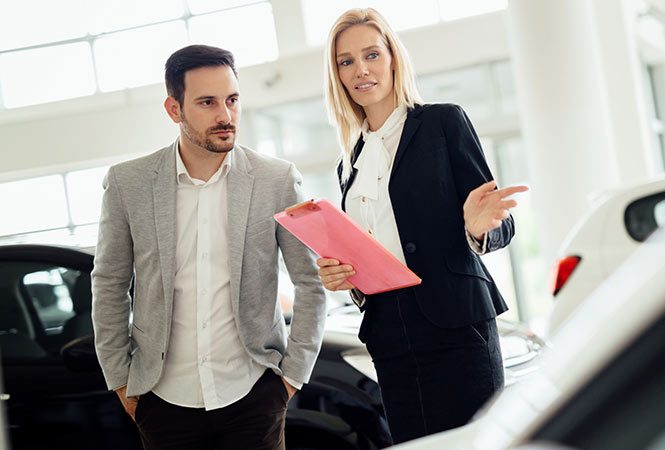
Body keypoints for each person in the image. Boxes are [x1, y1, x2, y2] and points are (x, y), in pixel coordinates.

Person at [91, 44, 327, 450]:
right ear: (174, 109)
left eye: (232, 100)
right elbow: (109, 283)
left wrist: (291, 377)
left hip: (254, 394)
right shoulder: (128, 183)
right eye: (207, 102)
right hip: (162, 400)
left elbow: (311, 280)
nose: (225, 115)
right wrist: (121, 381)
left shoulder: (276, 179)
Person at [318, 8, 528, 444]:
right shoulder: (349, 162)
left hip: (455, 326)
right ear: (336, 75)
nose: (361, 70)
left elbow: (498, 223)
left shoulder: (441, 123)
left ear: (393, 57)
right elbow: (375, 249)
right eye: (346, 61)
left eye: (372, 54)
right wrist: (344, 275)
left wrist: (478, 228)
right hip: (390, 336)